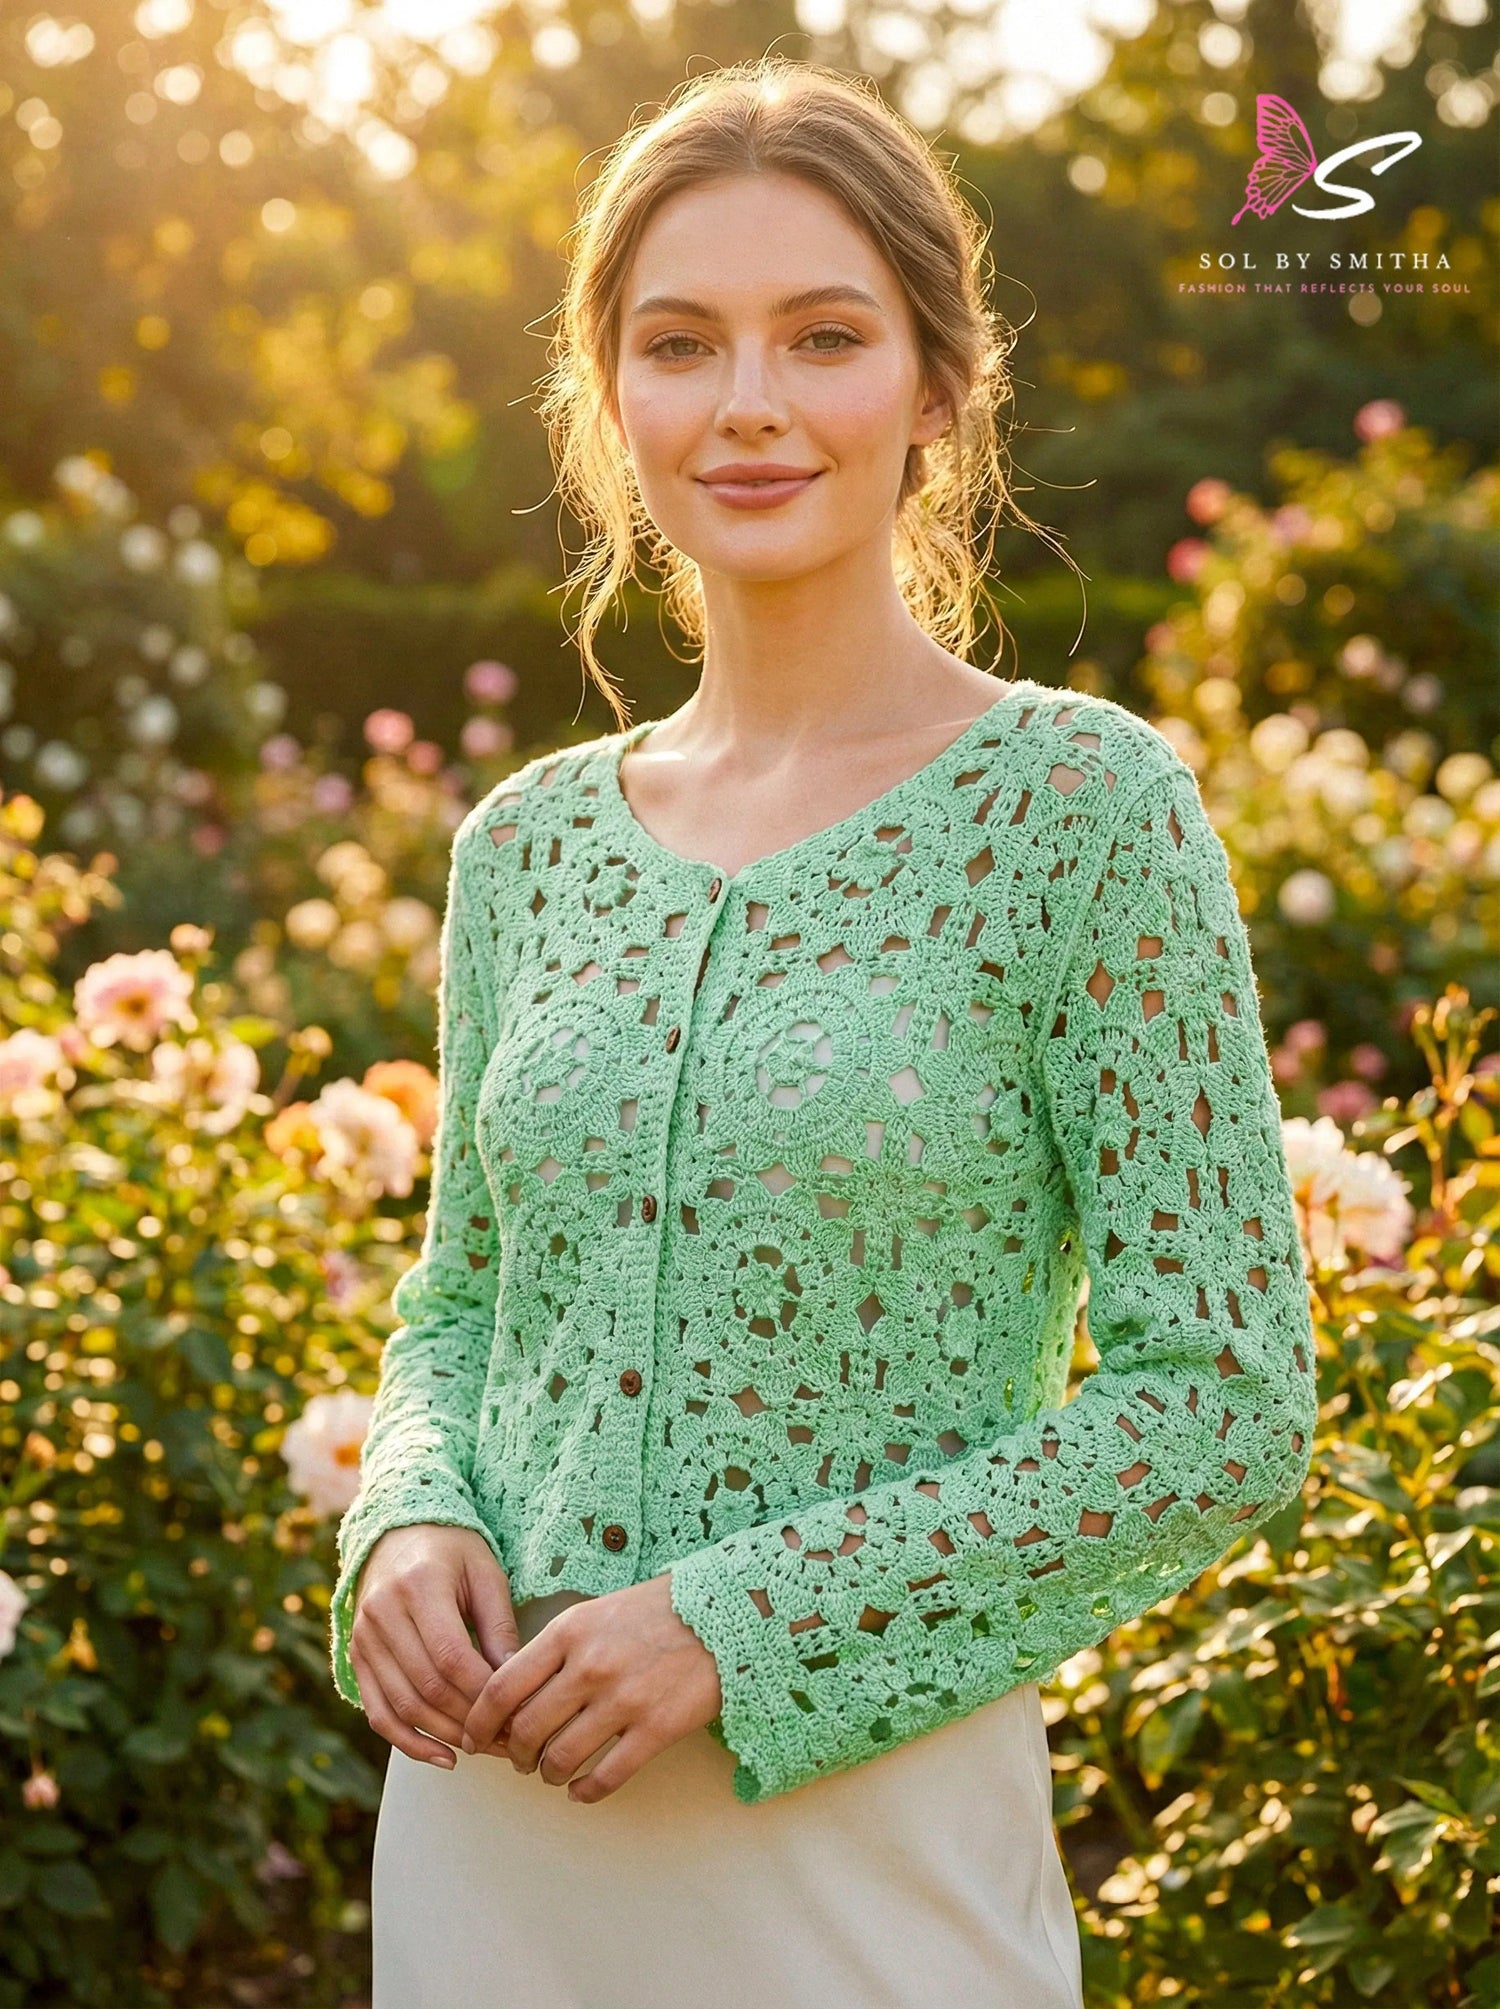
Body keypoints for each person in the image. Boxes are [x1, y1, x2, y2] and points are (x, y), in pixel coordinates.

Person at [327, 56, 1317, 2009]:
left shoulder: (1080, 814)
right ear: (607, 398)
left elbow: (1223, 1400)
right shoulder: (523, 847)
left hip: (870, 1859)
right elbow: (457, 1310)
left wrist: (739, 1621)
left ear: (937, 389)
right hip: (489, 1852)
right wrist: (407, 1513)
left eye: (826, 336)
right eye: (681, 343)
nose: (751, 403)